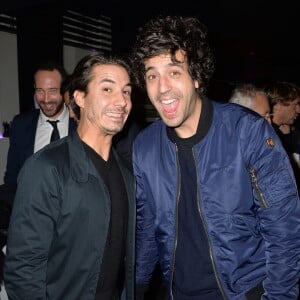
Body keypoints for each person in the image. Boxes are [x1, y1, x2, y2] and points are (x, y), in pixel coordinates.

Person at [131, 15, 300, 299]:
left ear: (196, 77)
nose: (161, 88)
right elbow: (148, 228)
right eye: (151, 75)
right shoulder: (145, 146)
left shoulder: (247, 131)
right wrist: (136, 287)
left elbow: (284, 228)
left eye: (174, 72)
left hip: (245, 292)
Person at [4, 52, 136, 300]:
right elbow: (23, 272)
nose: (121, 101)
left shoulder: (127, 174)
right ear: (80, 97)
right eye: (107, 89)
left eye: (127, 91)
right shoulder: (45, 168)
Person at [3, 61, 78, 185]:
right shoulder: (20, 125)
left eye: (53, 90)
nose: (46, 99)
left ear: (65, 91)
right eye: (40, 91)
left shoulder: (80, 123)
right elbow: (12, 178)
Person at [264, 80, 300, 187]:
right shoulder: (265, 134)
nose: (299, 110)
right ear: (278, 105)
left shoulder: (286, 132)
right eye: (295, 104)